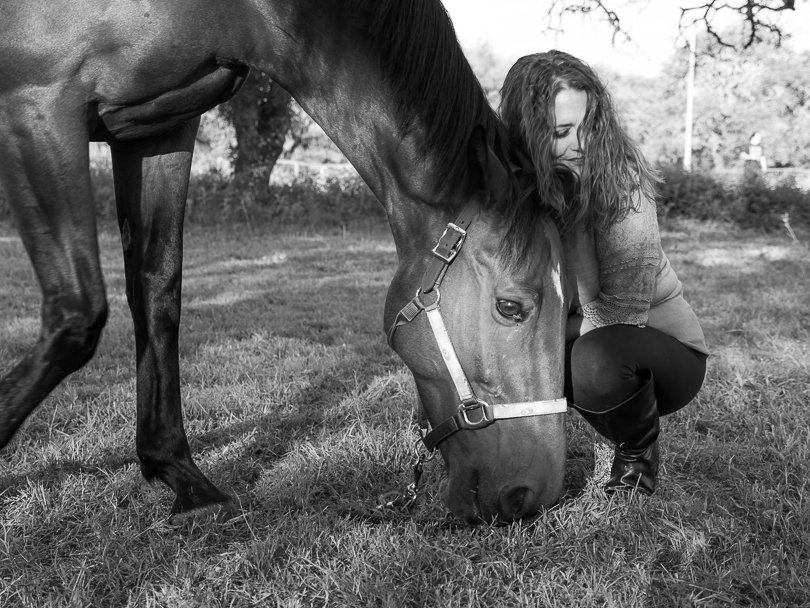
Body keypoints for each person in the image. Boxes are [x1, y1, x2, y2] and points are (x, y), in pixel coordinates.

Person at [499, 50, 709, 495]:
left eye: (586, 126)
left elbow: (623, 311)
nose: (579, 143)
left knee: (591, 360)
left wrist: (533, 340)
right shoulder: (514, 192)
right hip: (583, 333)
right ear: (526, 135)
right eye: (559, 132)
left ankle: (637, 459)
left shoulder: (622, 180)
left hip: (657, 350)